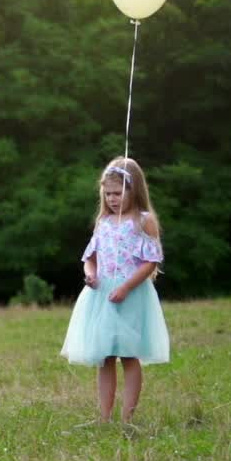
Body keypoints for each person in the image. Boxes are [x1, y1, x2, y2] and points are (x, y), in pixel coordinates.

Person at [61, 156, 170, 424]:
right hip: (102, 294)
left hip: (130, 293)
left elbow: (151, 261)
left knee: (128, 355)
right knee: (105, 356)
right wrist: (90, 275)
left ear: (133, 190)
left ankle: (127, 419)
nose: (112, 199)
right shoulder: (104, 223)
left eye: (117, 192)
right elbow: (90, 257)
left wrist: (126, 286)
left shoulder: (143, 221)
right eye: (107, 193)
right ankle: (104, 416)